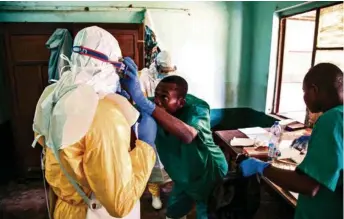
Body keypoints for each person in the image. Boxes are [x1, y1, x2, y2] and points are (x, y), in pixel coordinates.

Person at [32, 26, 157, 219]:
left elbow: (54, 145)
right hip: (93, 211)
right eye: (119, 66)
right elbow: (119, 203)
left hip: (65, 208)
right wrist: (146, 148)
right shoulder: (105, 116)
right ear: (109, 67)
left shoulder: (52, 95)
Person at [120, 59, 228, 219]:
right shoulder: (155, 104)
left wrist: (145, 104)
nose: (156, 101)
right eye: (156, 95)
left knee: (207, 212)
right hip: (183, 176)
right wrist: (121, 93)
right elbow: (130, 110)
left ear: (181, 102)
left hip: (209, 173)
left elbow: (188, 135)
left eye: (164, 97)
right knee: (173, 213)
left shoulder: (197, 109)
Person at [239, 63, 343, 219]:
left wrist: (261, 167)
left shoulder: (332, 120)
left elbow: (309, 185)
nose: (304, 98)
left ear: (314, 90)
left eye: (304, 91)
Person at [139, 50, 177, 210]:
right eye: (163, 71)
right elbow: (140, 100)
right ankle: (155, 194)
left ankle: (171, 192)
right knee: (152, 161)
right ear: (157, 66)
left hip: (169, 125)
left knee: (170, 161)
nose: (166, 74)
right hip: (151, 124)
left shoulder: (176, 77)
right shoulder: (145, 77)